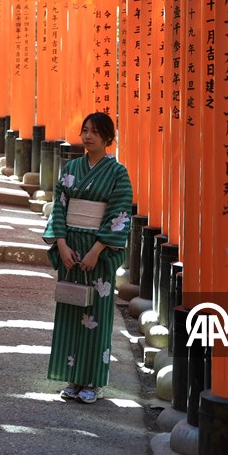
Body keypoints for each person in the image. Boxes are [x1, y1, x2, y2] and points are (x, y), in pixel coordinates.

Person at [42, 112, 133, 404]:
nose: (88, 136)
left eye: (95, 131)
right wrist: (62, 244)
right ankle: (72, 378)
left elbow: (119, 213)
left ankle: (92, 381)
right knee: (70, 309)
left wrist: (97, 250)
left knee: (96, 315)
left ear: (108, 137)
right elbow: (59, 207)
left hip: (98, 252)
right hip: (71, 249)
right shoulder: (71, 168)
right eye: (85, 130)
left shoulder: (118, 173)